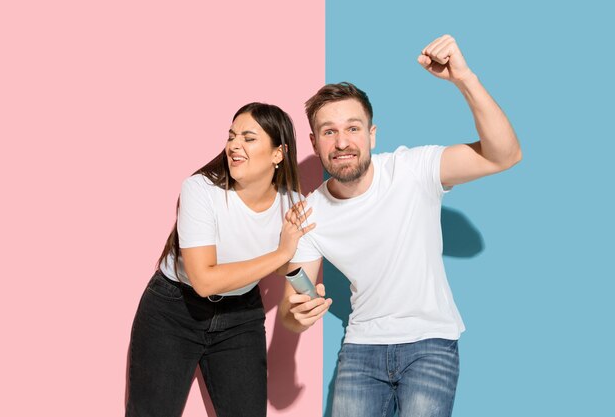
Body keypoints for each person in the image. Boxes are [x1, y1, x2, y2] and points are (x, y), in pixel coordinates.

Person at [278, 35, 522, 417]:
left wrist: (464, 78)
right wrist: (297, 315)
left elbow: (505, 154)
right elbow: (293, 311)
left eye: (353, 128)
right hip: (360, 349)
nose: (342, 142)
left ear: (372, 134)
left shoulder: (413, 170)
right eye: (329, 132)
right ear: (314, 142)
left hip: (431, 344)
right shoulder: (309, 214)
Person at [126, 102, 314, 417]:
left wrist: (310, 293)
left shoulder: (293, 204)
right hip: (173, 311)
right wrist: (282, 251)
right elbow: (204, 280)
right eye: (231, 136)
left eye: (248, 138)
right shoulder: (200, 190)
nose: (234, 145)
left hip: (240, 317)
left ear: (278, 153)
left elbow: (290, 267)